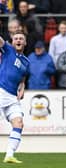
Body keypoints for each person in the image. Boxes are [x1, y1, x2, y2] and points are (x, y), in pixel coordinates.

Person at [0, 31, 29, 163]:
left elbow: (22, 78)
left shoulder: (26, 62)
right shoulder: (8, 50)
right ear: (12, 42)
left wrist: (22, 88)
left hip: (12, 97)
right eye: (16, 38)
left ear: (25, 42)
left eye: (21, 39)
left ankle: (9, 155)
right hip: (1, 92)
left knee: (19, 123)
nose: (18, 40)